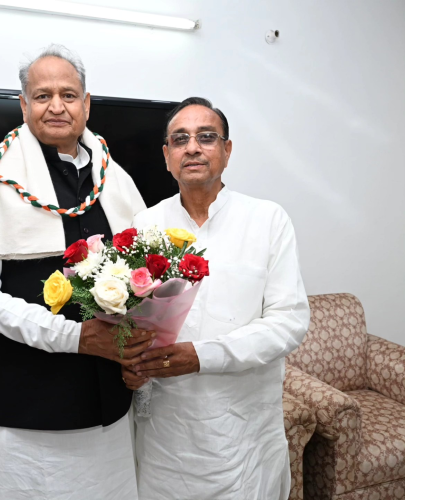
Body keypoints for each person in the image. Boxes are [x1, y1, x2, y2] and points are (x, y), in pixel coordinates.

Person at [0, 44, 152, 499]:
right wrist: (74, 337)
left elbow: (142, 280)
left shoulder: (113, 177)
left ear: (86, 104)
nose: (56, 106)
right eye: (42, 96)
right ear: (23, 106)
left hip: (112, 405)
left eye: (68, 95)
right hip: (31, 411)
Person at [123, 97, 310, 500]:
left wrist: (201, 356)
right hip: (167, 434)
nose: (192, 147)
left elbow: (289, 321)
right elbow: (133, 321)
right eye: (180, 139)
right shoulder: (146, 224)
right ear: (167, 156)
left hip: (243, 431)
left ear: (227, 150)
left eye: (206, 137)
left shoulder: (267, 220)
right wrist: (131, 365)